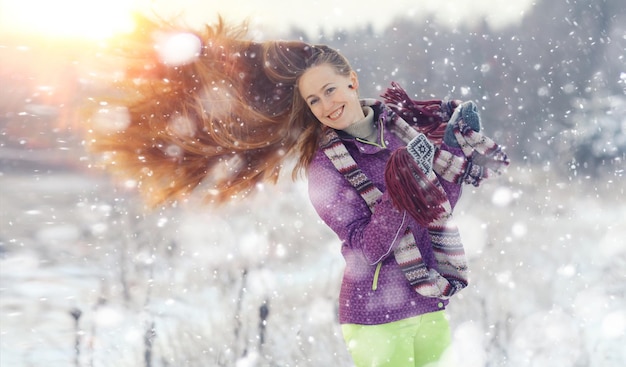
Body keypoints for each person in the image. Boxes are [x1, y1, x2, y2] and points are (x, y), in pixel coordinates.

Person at [88, 16, 509, 367]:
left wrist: (452, 149)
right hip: (377, 315)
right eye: (313, 100)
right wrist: (399, 194)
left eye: (330, 90)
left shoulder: (403, 132)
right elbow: (365, 249)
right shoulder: (327, 168)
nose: (326, 105)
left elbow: (439, 210)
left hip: (430, 299)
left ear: (352, 82)